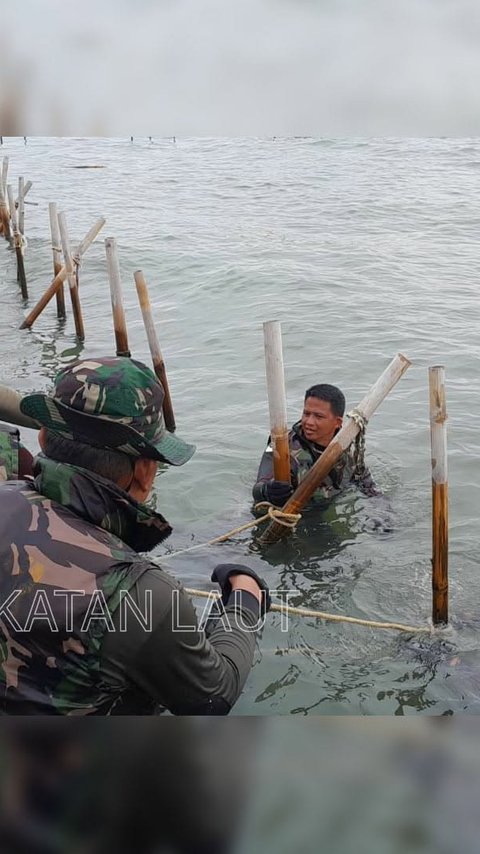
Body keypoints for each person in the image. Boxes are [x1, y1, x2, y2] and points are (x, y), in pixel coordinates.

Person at [0, 356, 270, 715]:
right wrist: (245, 599)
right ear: (145, 471)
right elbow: (213, 695)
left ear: (45, 436)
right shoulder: (141, 592)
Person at [253, 382, 380, 507]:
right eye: (306, 414)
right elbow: (259, 487)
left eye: (318, 416)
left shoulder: (346, 447)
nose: (309, 422)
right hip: (294, 512)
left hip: (328, 506)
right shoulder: (282, 446)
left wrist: (381, 510)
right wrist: (268, 491)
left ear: (337, 422)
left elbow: (365, 481)